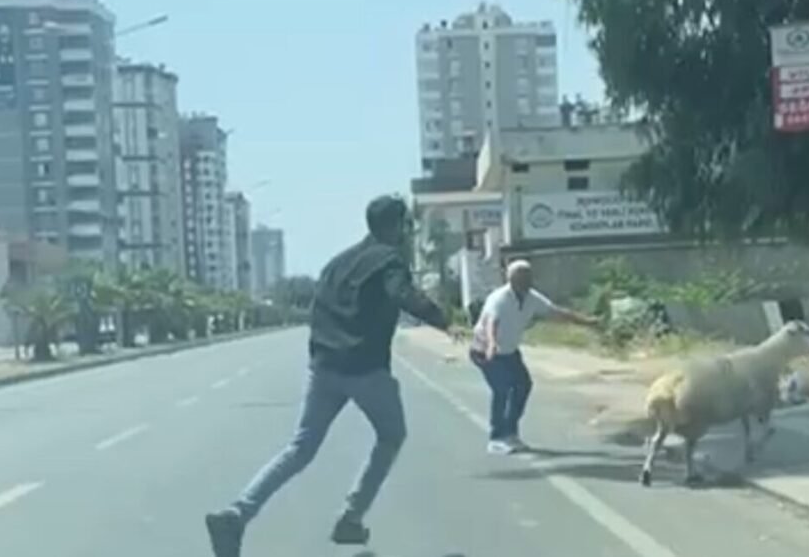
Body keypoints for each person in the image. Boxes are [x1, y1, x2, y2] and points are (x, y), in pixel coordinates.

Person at [205, 195, 450, 557]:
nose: (406, 233)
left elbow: (317, 312)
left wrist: (320, 357)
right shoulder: (388, 259)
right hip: (366, 368)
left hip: (324, 367)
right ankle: (351, 518)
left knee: (300, 448)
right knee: (392, 435)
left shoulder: (337, 264)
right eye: (404, 226)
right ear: (394, 227)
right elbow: (402, 294)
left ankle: (236, 514)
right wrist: (442, 320)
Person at [469, 259, 599, 454]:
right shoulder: (500, 298)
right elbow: (491, 322)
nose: (525, 282)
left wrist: (586, 322)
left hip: (509, 351)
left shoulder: (532, 298)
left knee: (523, 385)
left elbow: (556, 312)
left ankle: (510, 433)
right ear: (510, 279)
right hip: (485, 350)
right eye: (520, 278)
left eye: (527, 278)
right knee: (502, 389)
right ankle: (496, 438)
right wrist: (492, 343)